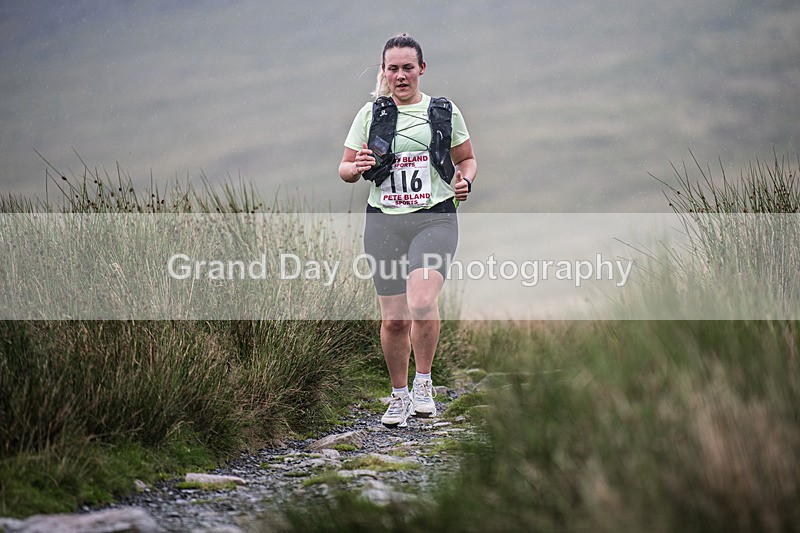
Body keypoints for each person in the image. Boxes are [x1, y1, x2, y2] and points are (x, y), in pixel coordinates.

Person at [338, 33, 477, 428]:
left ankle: (424, 383)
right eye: (393, 68)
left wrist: (465, 180)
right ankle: (398, 396)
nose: (401, 75)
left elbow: (466, 160)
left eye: (408, 68)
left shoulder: (443, 111)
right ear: (384, 71)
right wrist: (359, 166)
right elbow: (345, 169)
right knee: (395, 319)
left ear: (421, 69)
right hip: (383, 222)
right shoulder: (371, 115)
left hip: (435, 217)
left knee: (420, 302)